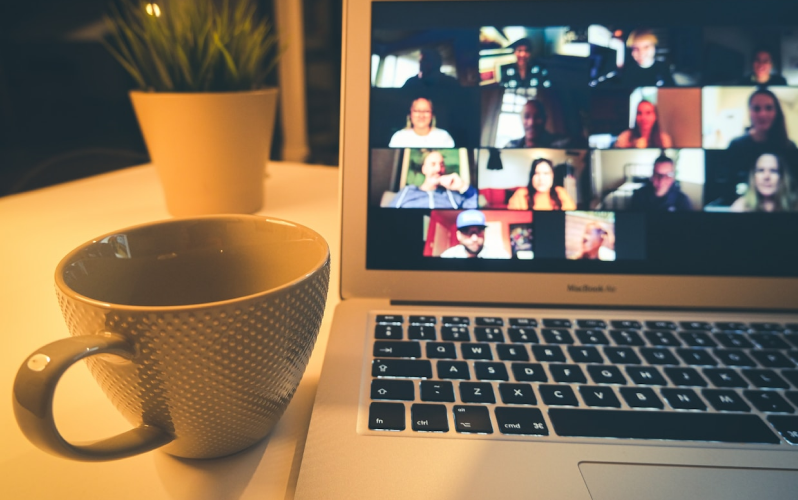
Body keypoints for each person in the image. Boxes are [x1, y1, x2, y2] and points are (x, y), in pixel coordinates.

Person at [728, 88, 798, 192]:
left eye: (769, 108)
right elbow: (729, 186)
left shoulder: (790, 148)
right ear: (750, 112)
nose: (762, 114)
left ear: (777, 112)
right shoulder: (736, 146)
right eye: (756, 108)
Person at [389, 150, 477, 209]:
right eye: (433, 164)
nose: (438, 169)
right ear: (424, 169)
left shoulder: (452, 195)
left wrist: (462, 186)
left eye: (442, 164)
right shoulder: (407, 191)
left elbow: (473, 207)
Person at [730, 153, 795, 212]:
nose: (766, 177)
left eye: (773, 171)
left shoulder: (795, 207)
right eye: (761, 170)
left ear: (782, 177)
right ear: (753, 176)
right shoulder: (740, 207)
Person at [507, 158, 576, 210]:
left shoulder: (560, 191)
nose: (541, 178)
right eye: (537, 173)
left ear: (552, 176)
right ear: (532, 176)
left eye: (546, 173)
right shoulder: (521, 194)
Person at [440, 210, 510, 259]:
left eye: (479, 231)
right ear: (458, 235)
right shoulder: (448, 256)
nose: (474, 238)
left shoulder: (500, 256)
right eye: (467, 232)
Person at [388, 97, 455, 148]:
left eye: (426, 111)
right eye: (417, 111)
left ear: (432, 115)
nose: (421, 115)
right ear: (410, 114)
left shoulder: (443, 136)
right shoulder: (399, 137)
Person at [504, 100, 570, 148]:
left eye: (537, 117)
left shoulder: (563, 145)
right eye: (526, 117)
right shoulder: (510, 146)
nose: (531, 123)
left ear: (545, 119)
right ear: (521, 119)